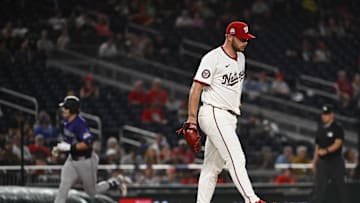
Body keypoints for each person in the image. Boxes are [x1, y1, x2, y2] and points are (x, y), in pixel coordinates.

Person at [183, 21, 266, 203]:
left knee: (212, 168)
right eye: (242, 39)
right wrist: (191, 121)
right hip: (213, 112)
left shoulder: (242, 58)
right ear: (229, 36)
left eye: (247, 39)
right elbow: (196, 89)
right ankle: (252, 200)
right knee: (236, 157)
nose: (245, 42)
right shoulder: (212, 58)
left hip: (229, 116)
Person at [53, 96, 129, 203]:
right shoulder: (66, 121)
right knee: (63, 187)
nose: (63, 110)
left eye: (65, 108)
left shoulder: (80, 123)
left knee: (92, 192)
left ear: (72, 109)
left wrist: (69, 147)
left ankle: (115, 182)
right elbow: (70, 140)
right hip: (72, 159)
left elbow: (86, 144)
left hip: (85, 160)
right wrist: (60, 147)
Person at [311, 104, 347, 203]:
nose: (324, 116)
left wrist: (326, 150)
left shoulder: (337, 127)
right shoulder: (320, 128)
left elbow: (338, 143)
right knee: (319, 188)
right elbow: (317, 146)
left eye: (326, 114)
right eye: (323, 114)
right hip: (323, 162)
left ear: (332, 115)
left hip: (335, 161)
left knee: (340, 187)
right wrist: (314, 161)